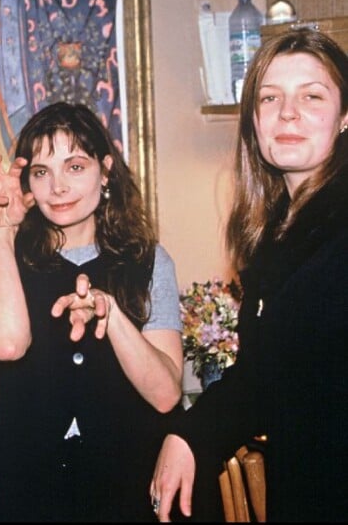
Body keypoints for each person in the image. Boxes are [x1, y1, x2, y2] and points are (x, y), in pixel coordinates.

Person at [150, 27, 348, 523]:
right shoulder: (278, 232)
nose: (288, 113)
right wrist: (190, 433)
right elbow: (269, 376)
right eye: (270, 97)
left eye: (312, 96)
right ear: (253, 120)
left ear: (345, 118)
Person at [0, 101, 184, 522]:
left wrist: (114, 316)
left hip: (127, 486)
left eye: (74, 167)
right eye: (41, 172)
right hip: (29, 489)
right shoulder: (0, 256)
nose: (57, 187)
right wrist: (1, 230)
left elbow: (165, 395)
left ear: (105, 171)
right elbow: (7, 344)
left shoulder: (150, 261)